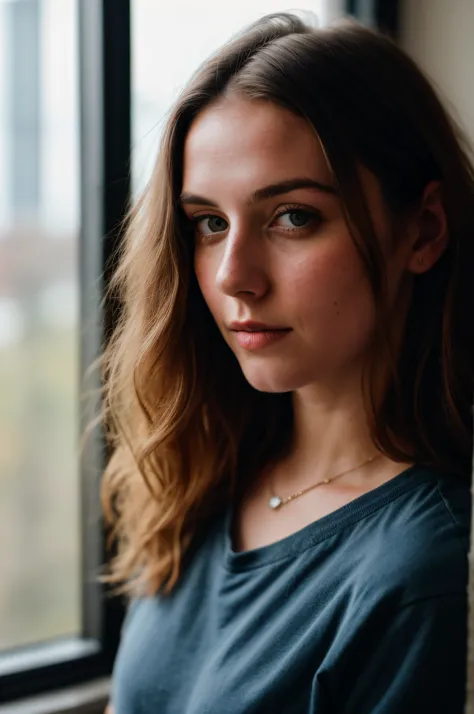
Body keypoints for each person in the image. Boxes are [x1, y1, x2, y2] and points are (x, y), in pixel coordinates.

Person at [98, 12, 474, 714]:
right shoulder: (202, 474)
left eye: (293, 217)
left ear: (422, 230)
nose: (235, 275)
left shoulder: (424, 572)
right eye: (210, 223)